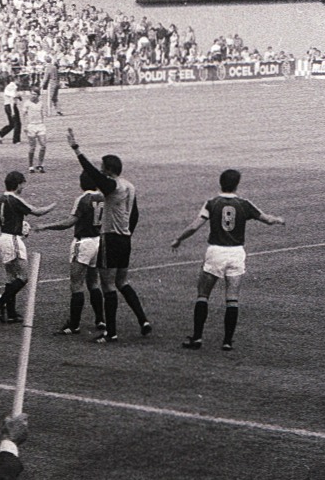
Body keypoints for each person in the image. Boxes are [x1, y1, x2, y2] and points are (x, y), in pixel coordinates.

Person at [171, 170, 284, 352]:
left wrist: (178, 239)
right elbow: (267, 219)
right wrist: (278, 220)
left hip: (216, 251)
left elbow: (194, 226)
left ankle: (197, 338)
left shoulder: (212, 203)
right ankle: (227, 341)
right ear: (237, 184)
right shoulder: (244, 204)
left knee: (203, 295)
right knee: (232, 298)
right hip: (237, 253)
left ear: (220, 183)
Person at [66, 129, 151, 342]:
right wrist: (128, 232)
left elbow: (93, 174)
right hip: (125, 239)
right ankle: (143, 320)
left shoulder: (112, 185)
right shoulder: (129, 186)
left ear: (109, 170)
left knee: (108, 285)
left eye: (103, 168)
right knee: (123, 281)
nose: (101, 171)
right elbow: (135, 214)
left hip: (110, 238)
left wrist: (77, 151)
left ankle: (110, 333)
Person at [39, 179, 107, 336]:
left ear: (82, 183)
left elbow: (69, 222)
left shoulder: (83, 199)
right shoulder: (103, 197)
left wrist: (46, 226)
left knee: (76, 284)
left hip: (83, 243)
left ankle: (74, 325)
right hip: (98, 242)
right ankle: (100, 319)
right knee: (93, 282)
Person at [0, 171, 56, 323]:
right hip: (13, 240)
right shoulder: (14, 199)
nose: (24, 187)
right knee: (24, 277)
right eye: (23, 183)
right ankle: (1, 304)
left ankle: (12, 313)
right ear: (18, 184)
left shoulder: (1, 198)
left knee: (11, 278)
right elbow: (37, 212)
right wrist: (53, 206)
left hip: (4, 238)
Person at [23, 87, 55, 173]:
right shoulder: (27, 103)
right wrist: (25, 126)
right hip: (31, 126)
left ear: (38, 95)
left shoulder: (41, 103)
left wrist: (44, 123)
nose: (33, 96)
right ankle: (30, 166)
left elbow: (43, 114)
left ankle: (40, 164)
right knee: (32, 147)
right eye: (32, 94)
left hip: (40, 125)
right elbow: (24, 115)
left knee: (43, 145)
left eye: (35, 94)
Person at [0, 78, 22, 144]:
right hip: (11, 106)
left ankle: (1, 133)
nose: (20, 81)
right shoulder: (13, 87)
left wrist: (18, 97)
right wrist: (13, 111)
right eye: (19, 79)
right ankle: (16, 140)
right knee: (17, 123)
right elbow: (11, 99)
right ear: (16, 79)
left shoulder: (9, 86)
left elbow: (12, 96)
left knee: (12, 124)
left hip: (7, 106)